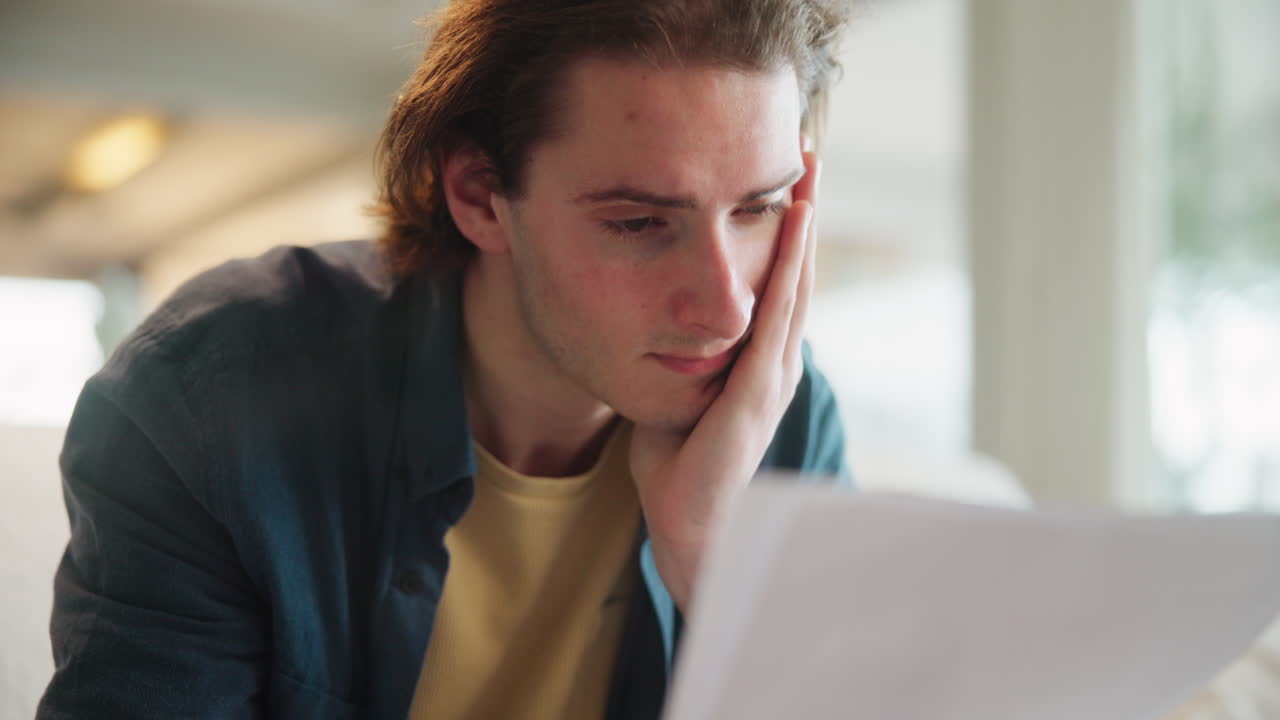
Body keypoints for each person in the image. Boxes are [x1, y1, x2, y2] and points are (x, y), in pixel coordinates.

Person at [38, 0, 852, 717]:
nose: (728, 308)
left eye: (761, 208)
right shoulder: (207, 403)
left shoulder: (780, 417)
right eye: (639, 223)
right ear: (476, 193)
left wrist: (712, 560)